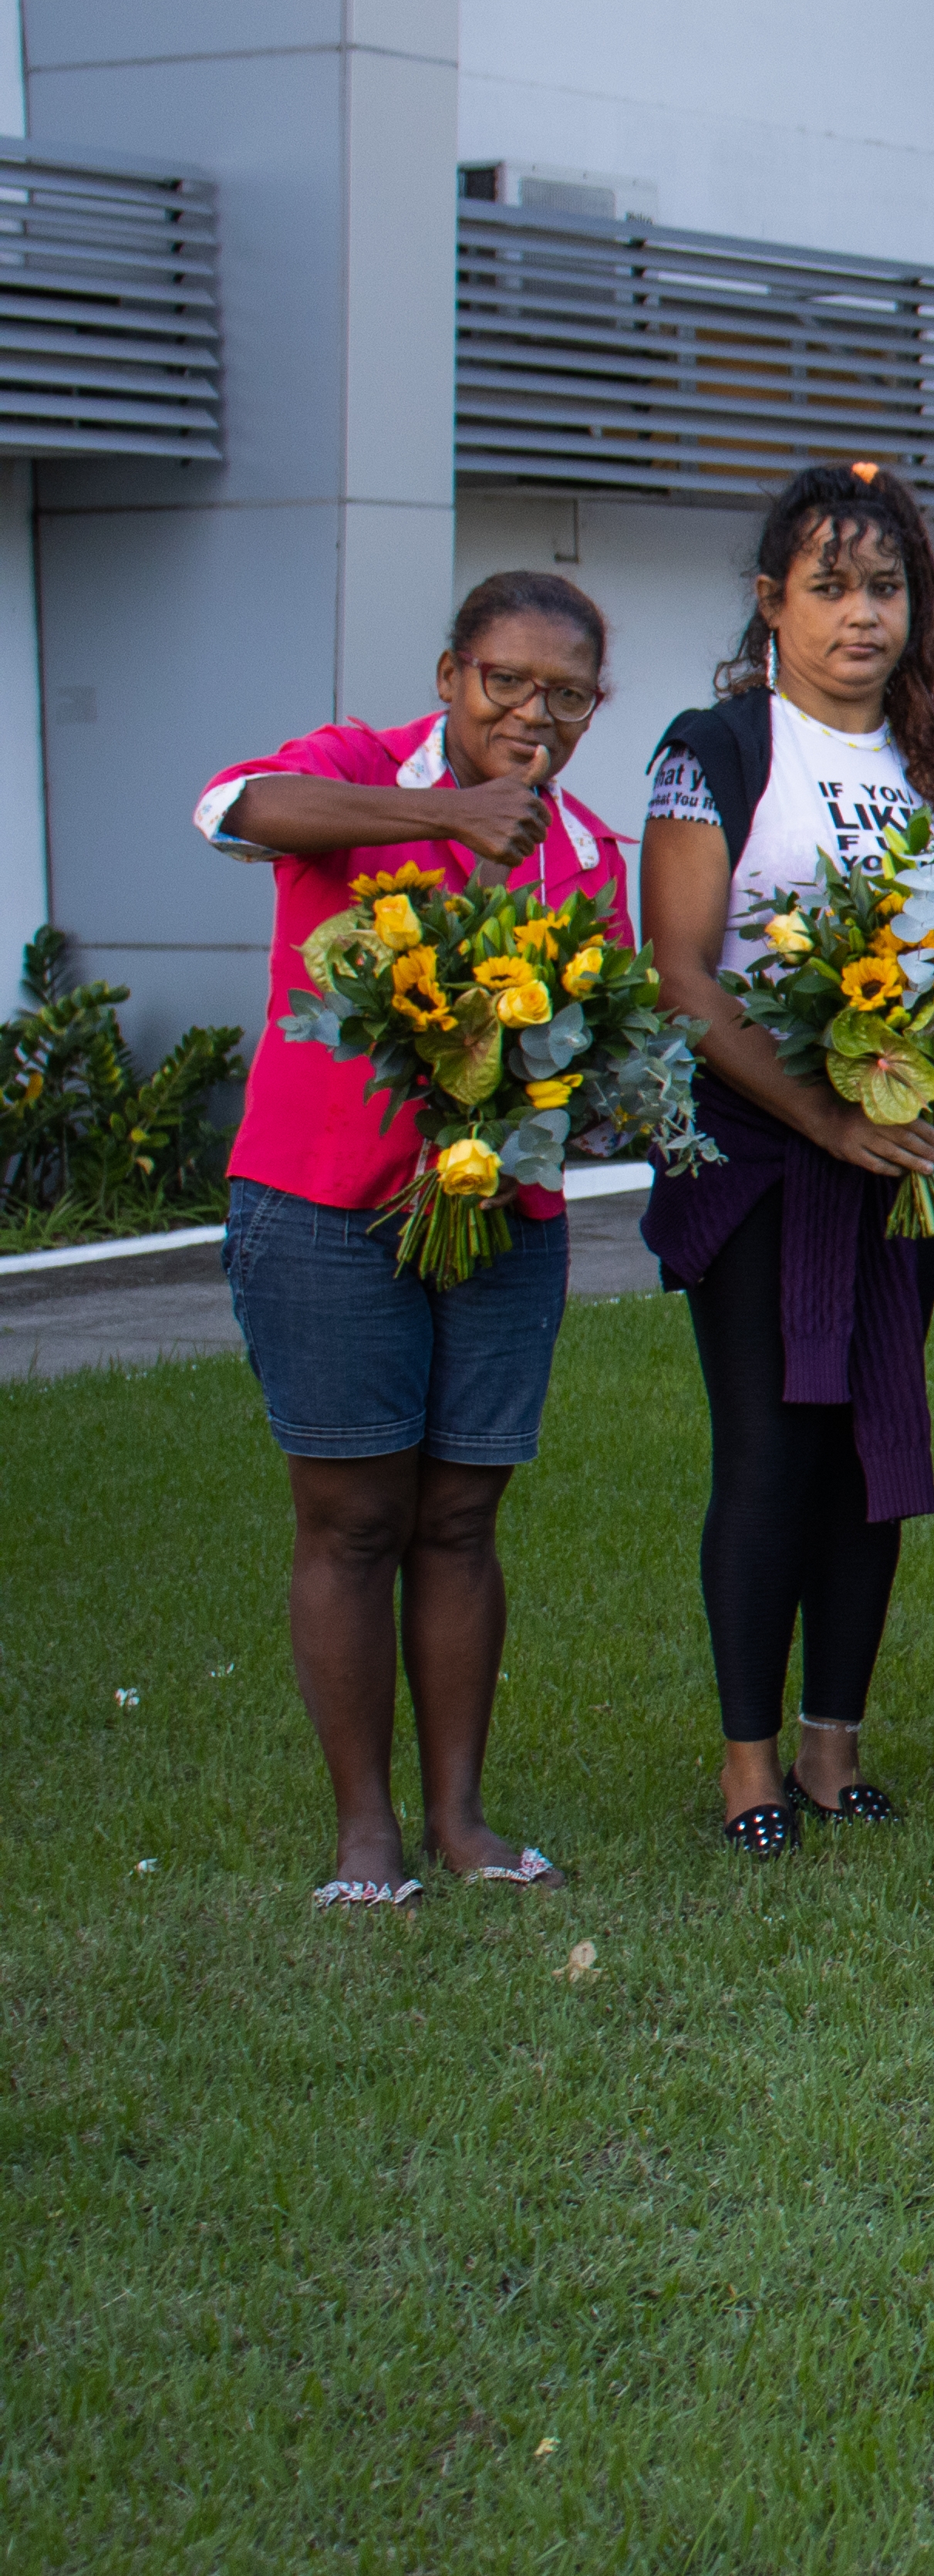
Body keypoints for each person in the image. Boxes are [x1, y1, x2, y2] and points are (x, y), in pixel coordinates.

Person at [199, 571, 630, 1905]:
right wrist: (445, 810)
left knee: (458, 1517)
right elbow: (229, 809)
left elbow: (592, 1045)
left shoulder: (588, 854)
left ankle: (462, 1821)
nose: (533, 714)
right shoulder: (353, 772)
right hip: (325, 1206)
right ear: (451, 677)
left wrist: (557, 1123)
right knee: (351, 1518)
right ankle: (364, 1840)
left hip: (501, 1219)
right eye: (506, 681)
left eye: (566, 696)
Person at [638, 463, 934, 1857]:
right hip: (763, 1159)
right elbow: (685, 977)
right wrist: (825, 1120)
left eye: (888, 588)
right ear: (771, 602)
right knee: (771, 1452)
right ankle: (748, 1770)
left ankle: (832, 1753)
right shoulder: (721, 747)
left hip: (904, 1161)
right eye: (831, 588)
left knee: (875, 1450)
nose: (863, 616)